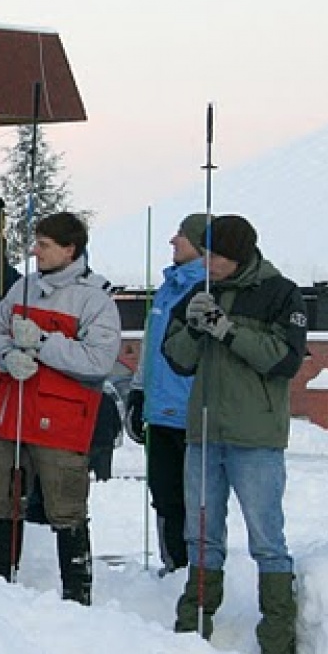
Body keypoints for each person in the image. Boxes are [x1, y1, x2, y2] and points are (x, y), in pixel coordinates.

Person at [162, 215, 305, 654]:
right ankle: (193, 627)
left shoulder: (281, 292)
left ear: (238, 256)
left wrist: (228, 329)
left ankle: (278, 641)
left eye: (216, 256)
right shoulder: (198, 291)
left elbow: (283, 360)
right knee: (201, 534)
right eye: (205, 254)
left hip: (256, 436)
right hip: (205, 432)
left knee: (267, 538)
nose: (208, 263)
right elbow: (176, 359)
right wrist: (195, 328)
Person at [0, 211, 120, 604]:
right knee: (2, 498)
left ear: (69, 249)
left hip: (61, 420)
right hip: (13, 414)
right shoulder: (23, 288)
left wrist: (42, 342)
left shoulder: (94, 299)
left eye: (43, 244)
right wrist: (7, 356)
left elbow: (98, 360)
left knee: (66, 507)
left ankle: (77, 593)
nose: (34, 251)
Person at [127, 213, 208, 574]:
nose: (172, 241)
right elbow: (151, 345)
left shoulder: (207, 289)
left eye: (181, 235)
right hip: (160, 414)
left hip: (191, 413)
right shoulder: (168, 286)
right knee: (164, 497)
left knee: (197, 501)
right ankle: (172, 567)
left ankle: (199, 573)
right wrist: (139, 391)